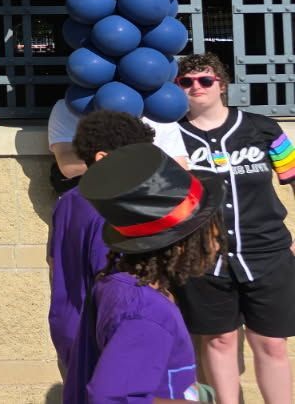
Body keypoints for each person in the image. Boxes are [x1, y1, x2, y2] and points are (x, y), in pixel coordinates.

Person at [171, 52, 295, 404]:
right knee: (218, 340)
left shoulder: (263, 128)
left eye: (205, 80)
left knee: (271, 343)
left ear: (221, 85)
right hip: (202, 258)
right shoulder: (170, 137)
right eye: (186, 81)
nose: (196, 87)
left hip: (267, 252)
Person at [64, 143, 224, 403]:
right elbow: (111, 398)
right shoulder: (147, 313)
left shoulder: (118, 283)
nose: (218, 244)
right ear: (181, 245)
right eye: (212, 235)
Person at [47, 111, 158, 371]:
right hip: (107, 337)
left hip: (70, 330)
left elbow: (52, 261)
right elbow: (113, 282)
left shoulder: (68, 200)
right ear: (103, 159)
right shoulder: (111, 209)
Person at [47, 96, 188, 191]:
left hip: (148, 198)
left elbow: (178, 169)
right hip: (94, 201)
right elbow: (69, 167)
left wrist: (110, 162)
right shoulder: (70, 107)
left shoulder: (159, 109)